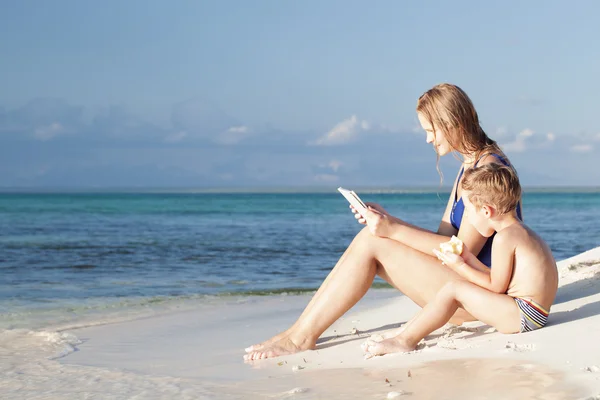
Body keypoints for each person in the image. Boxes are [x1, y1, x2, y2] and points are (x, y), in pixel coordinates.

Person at [244, 83, 523, 361]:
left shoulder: (488, 171)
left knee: (371, 242)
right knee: (374, 237)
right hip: (465, 288)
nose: (428, 140)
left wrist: (392, 230)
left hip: (481, 298)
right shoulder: (470, 165)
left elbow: (461, 250)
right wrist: (388, 222)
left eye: (430, 130)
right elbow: (443, 239)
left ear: (451, 123)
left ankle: (301, 337)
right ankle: (298, 332)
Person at [362, 163, 558, 358]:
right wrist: (468, 258)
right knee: (458, 286)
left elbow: (496, 287)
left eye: (470, 212)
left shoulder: (504, 238)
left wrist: (460, 265)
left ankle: (404, 341)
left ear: (487, 211)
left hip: (522, 315)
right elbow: (499, 279)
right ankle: (405, 333)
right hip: (534, 313)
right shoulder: (521, 232)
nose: (470, 219)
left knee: (453, 289)